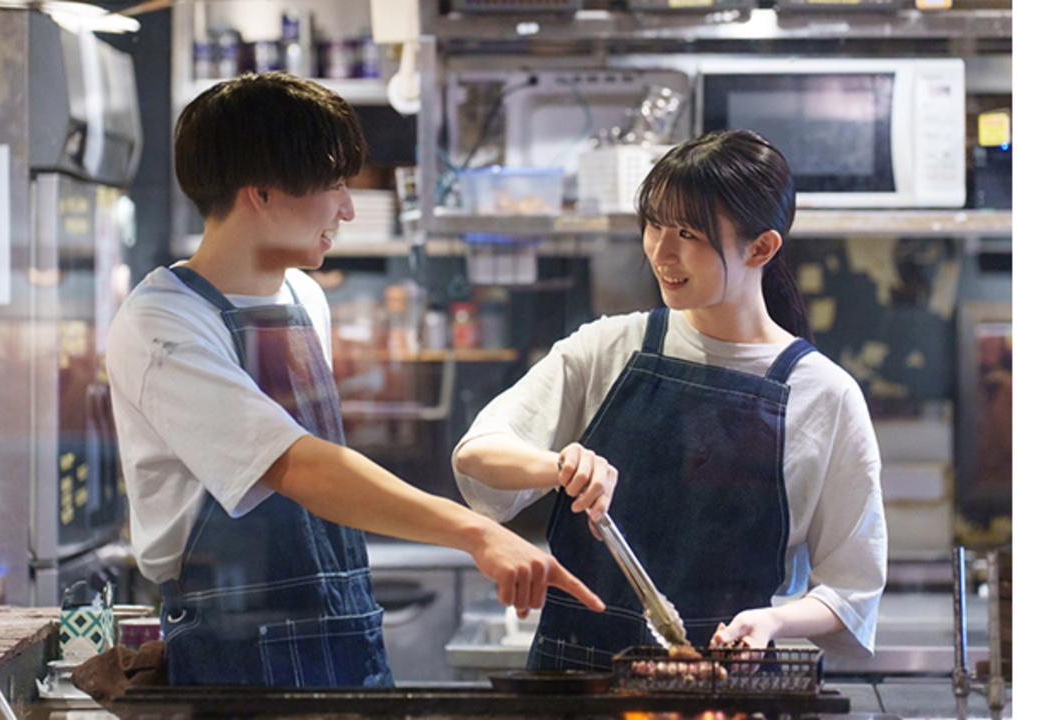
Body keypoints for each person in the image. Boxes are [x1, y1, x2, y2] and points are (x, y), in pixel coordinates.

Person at [105, 72, 604, 688]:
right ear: (261, 193)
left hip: (344, 625)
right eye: (334, 185)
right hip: (233, 652)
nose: (346, 208)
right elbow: (295, 465)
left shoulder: (303, 297)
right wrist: (475, 532)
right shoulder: (163, 321)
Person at [452, 129, 887, 671]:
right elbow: (477, 454)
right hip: (577, 687)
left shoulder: (824, 395)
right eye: (654, 225)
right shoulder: (607, 346)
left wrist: (773, 621)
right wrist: (557, 464)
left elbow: (851, 589)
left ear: (761, 247)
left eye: (688, 232)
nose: (662, 251)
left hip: (724, 687)